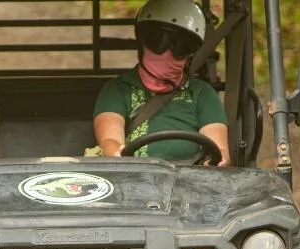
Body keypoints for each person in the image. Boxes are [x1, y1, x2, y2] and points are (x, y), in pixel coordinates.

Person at [93, 0, 230, 166]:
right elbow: (110, 140)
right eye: (157, 41)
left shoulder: (202, 93)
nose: (167, 53)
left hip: (192, 182)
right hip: (135, 178)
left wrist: (215, 162)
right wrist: (118, 156)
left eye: (181, 46)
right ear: (142, 40)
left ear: (191, 53)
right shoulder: (117, 89)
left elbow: (219, 150)